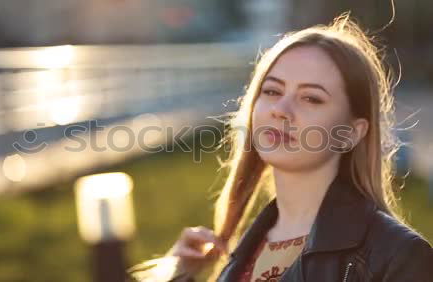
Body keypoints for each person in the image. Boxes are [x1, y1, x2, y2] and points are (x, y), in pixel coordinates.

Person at [128, 13, 433, 282]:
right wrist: (177, 275)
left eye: (311, 98)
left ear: (350, 134)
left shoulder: (397, 257)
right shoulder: (242, 251)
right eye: (272, 90)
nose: (281, 109)